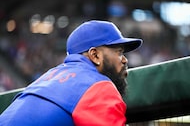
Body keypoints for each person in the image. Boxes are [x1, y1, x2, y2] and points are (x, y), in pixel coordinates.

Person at [0, 20, 142, 126]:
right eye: (119, 52)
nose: (124, 60)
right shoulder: (98, 86)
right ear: (95, 55)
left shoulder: (47, 77)